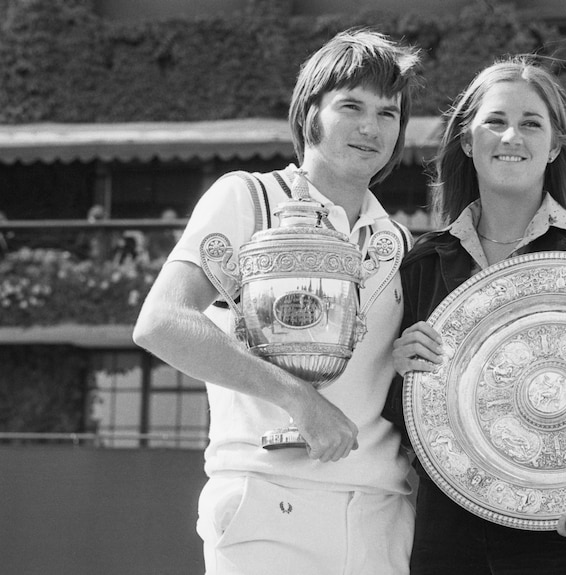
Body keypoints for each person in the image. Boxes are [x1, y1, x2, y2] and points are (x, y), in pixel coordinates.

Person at [133, 29, 421, 575]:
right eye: (351, 106)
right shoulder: (247, 197)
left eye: (389, 113)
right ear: (310, 112)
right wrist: (301, 400)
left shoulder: (403, 244)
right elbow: (162, 322)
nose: (371, 127)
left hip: (382, 518)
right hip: (267, 503)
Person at [386, 56, 566, 574]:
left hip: (558, 531)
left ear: (555, 146)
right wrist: (398, 366)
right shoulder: (422, 261)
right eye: (494, 122)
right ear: (467, 140)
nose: (511, 137)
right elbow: (404, 420)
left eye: (530, 124)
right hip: (445, 535)